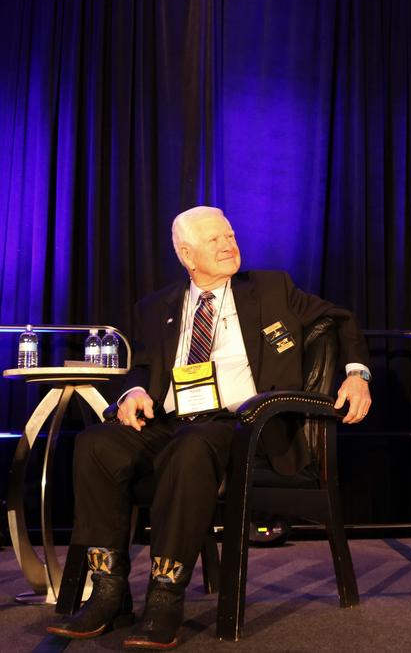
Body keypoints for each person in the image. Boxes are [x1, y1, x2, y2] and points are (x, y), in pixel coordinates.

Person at [48, 206, 372, 649]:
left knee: (194, 444)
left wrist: (357, 374)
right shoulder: (156, 306)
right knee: (95, 444)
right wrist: (134, 393)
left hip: (245, 425)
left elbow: (340, 319)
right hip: (173, 421)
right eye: (215, 240)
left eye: (231, 236)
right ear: (187, 253)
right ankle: (108, 590)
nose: (229, 245)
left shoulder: (273, 287)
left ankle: (164, 597)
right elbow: (142, 366)